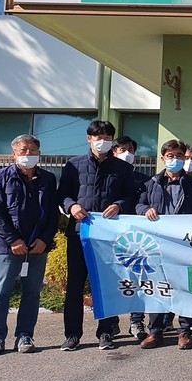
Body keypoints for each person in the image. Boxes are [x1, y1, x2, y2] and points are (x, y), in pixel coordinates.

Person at [58, 120, 135, 351]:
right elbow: (62, 194)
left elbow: (131, 196)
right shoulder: (74, 165)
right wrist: (71, 206)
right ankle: (72, 334)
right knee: (75, 286)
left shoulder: (123, 168)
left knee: (107, 285)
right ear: (89, 139)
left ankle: (106, 332)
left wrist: (119, 205)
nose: (102, 141)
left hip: (109, 237)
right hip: (79, 233)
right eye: (98, 137)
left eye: (107, 137)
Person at [0, 134, 60, 356]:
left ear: (39, 153)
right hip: (8, 247)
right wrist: (13, 240)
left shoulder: (48, 179)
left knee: (32, 293)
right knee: (1, 293)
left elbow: (53, 215)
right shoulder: (1, 177)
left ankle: (25, 335)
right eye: (23, 150)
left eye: (32, 150)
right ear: (14, 154)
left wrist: (44, 240)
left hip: (37, 247)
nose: (28, 154)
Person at [136, 140, 192, 350]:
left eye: (179, 156)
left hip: (184, 244)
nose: (175, 159)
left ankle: (184, 331)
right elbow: (139, 204)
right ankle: (155, 332)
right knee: (158, 287)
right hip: (157, 244)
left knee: (185, 287)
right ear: (163, 158)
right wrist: (145, 210)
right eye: (170, 156)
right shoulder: (151, 184)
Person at [111, 135, 151, 341]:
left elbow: (144, 203)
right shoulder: (108, 177)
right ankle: (111, 322)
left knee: (138, 278)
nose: (127, 154)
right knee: (112, 277)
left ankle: (136, 321)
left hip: (136, 238)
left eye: (130, 150)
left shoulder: (143, 180)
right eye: (122, 150)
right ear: (113, 152)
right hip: (110, 235)